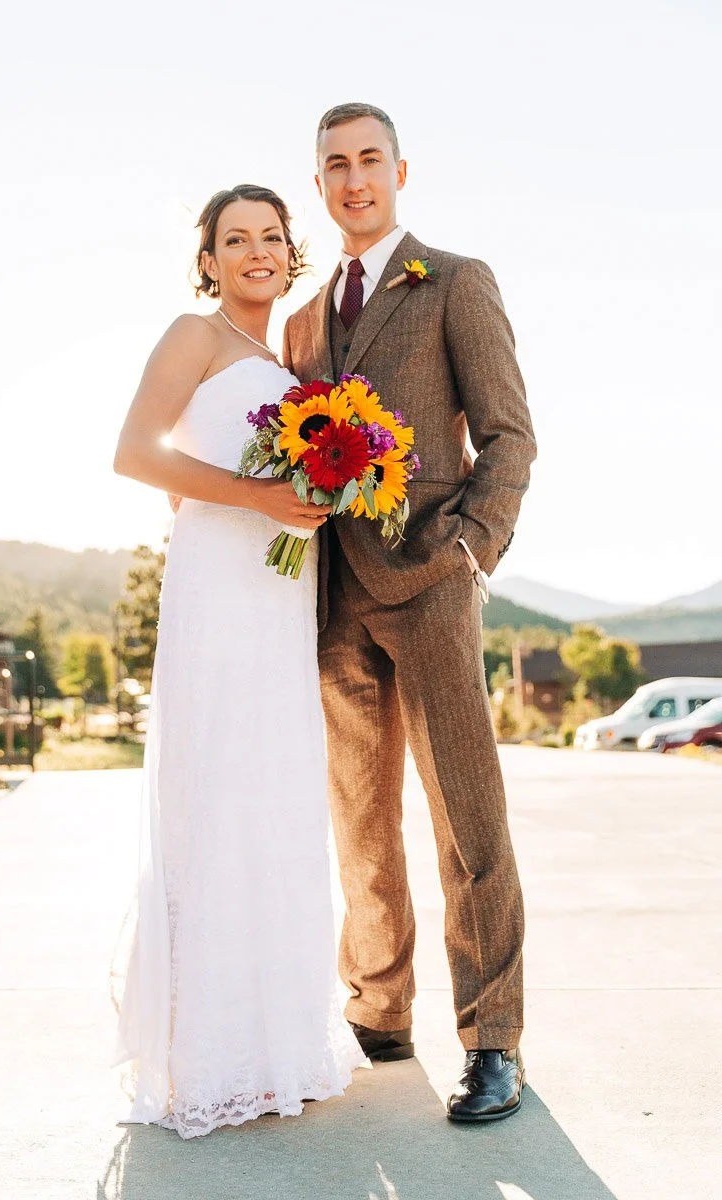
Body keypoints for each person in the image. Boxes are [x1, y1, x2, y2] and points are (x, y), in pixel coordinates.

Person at [283, 103, 537, 1122]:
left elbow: (510, 437)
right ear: (318, 183)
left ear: (398, 170)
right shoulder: (304, 318)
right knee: (360, 819)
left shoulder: (453, 282)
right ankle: (378, 1011)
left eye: (368, 161)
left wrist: (468, 547)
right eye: (334, 165)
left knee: (464, 812)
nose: (353, 179)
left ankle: (493, 1041)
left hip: (429, 586)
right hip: (331, 593)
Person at [111, 184, 366, 1139]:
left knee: (273, 799)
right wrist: (254, 500)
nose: (256, 250)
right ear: (208, 257)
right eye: (235, 238)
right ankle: (207, 1057)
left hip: (279, 599)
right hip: (219, 590)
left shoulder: (288, 356)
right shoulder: (196, 335)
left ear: (290, 251)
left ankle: (274, 1047)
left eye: (271, 235)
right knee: (215, 796)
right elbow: (135, 453)